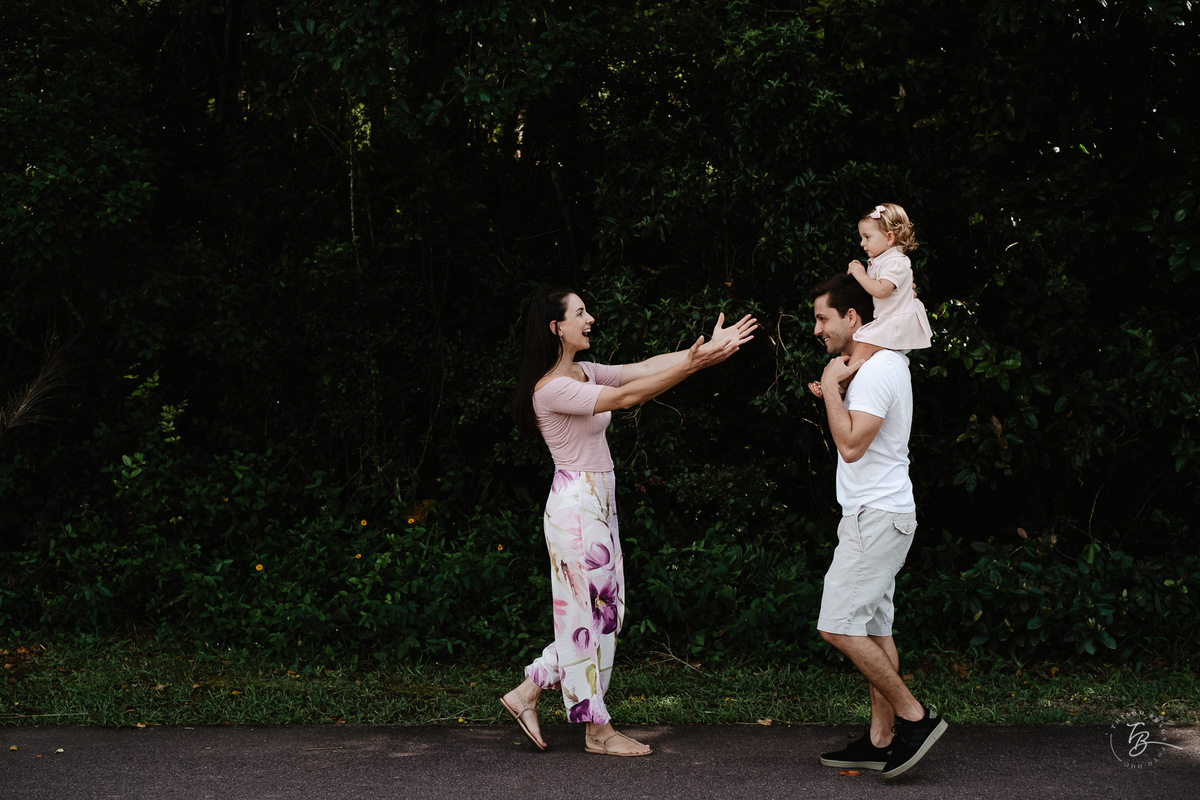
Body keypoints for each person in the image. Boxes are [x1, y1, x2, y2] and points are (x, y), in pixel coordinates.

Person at [502, 288, 757, 757]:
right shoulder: (551, 388)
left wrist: (702, 351)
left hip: (598, 501)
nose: (590, 319)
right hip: (577, 506)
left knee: (606, 613)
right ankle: (596, 730)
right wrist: (694, 365)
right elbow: (625, 398)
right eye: (581, 313)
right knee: (590, 617)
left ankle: (530, 688)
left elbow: (643, 368)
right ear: (556, 327)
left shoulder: (583, 371)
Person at [807, 273, 947, 779]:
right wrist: (837, 384)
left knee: (838, 625)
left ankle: (915, 717)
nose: (817, 329)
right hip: (876, 514)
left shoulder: (878, 370)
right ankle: (880, 739)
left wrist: (829, 387)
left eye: (823, 318)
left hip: (877, 516)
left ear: (852, 317)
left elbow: (850, 445)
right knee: (874, 627)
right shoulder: (875, 366)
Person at [845, 203, 933, 358]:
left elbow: (881, 290)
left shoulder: (896, 262)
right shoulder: (883, 261)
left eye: (867, 237)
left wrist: (860, 275)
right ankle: (847, 369)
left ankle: (845, 374)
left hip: (896, 323)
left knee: (864, 344)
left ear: (889, 237)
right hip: (888, 320)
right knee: (855, 343)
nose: (862, 243)